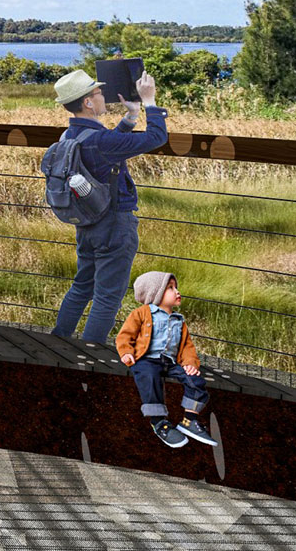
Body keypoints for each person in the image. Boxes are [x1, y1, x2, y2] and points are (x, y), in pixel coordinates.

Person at [49, 67, 168, 344]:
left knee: (82, 286)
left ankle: (58, 343)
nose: (104, 96)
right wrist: (150, 102)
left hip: (87, 223)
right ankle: (87, 357)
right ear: (88, 102)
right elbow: (156, 138)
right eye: (99, 92)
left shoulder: (69, 137)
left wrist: (131, 117)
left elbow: (107, 149)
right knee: (107, 297)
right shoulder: (101, 140)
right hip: (114, 224)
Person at [117, 270, 217, 448]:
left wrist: (190, 364)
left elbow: (187, 347)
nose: (177, 291)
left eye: (176, 287)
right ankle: (158, 422)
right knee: (149, 378)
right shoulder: (142, 313)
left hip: (170, 363)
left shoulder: (179, 320)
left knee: (195, 380)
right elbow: (125, 335)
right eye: (170, 288)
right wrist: (126, 352)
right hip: (146, 359)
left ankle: (189, 420)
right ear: (155, 294)